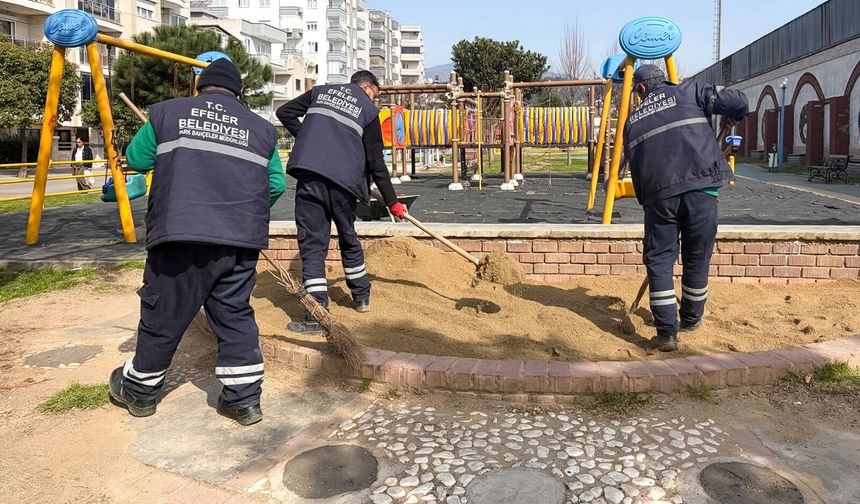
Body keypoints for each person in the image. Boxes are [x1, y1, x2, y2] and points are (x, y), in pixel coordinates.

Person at [108, 58, 286, 426]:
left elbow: (137, 159)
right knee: (235, 315)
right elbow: (276, 185)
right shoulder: (262, 129)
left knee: (164, 314)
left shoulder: (168, 114)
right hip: (238, 241)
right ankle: (244, 401)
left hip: (180, 233)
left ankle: (140, 392)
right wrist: (239, 214)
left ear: (200, 88)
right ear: (240, 93)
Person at [624, 64, 748, 352]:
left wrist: (648, 201)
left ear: (641, 90)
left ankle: (667, 333)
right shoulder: (691, 90)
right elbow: (739, 100)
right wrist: (734, 114)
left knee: (659, 260)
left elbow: (637, 166)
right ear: (662, 81)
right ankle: (691, 319)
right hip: (701, 189)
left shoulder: (633, 121)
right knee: (697, 255)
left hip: (659, 197)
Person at [276, 70, 405, 334]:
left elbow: (285, 113)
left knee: (312, 244)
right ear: (368, 87)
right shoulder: (368, 112)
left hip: (310, 175)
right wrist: (393, 202)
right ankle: (361, 298)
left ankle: (317, 315)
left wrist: (307, 139)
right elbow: (376, 163)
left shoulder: (319, 92)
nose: (375, 102)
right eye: (375, 96)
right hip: (344, 184)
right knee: (348, 235)